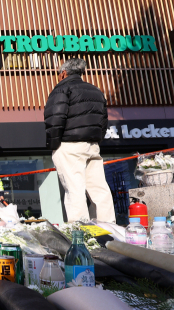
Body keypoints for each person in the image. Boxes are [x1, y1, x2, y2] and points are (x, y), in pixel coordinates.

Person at [44, 58, 116, 223]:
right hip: (92, 145)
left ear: (63, 73)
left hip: (69, 145)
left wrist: (54, 145)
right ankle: (108, 226)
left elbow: (55, 119)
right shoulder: (95, 90)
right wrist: (96, 140)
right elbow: (103, 121)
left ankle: (80, 230)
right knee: (99, 189)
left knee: (74, 189)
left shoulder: (62, 89)